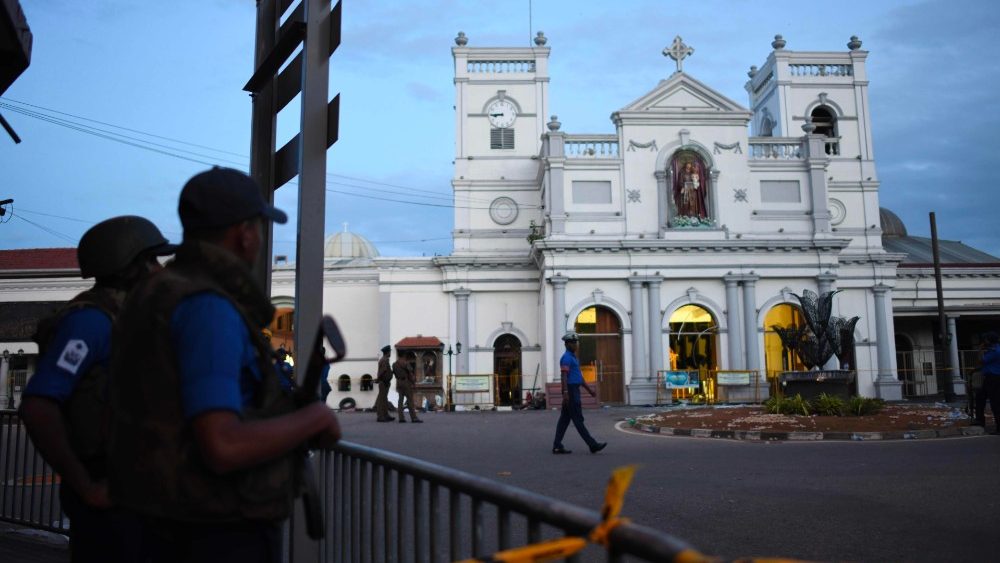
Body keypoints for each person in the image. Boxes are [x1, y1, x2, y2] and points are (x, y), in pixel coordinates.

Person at [108, 167, 341, 563]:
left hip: (153, 516)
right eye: (260, 229)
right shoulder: (207, 308)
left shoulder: (155, 293)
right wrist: (314, 419)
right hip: (212, 530)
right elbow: (222, 444)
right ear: (245, 234)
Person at [20, 215, 176, 562]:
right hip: (108, 492)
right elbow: (38, 405)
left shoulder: (129, 317)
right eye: (151, 261)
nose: (159, 270)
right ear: (126, 267)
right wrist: (87, 487)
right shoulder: (90, 322)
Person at [552, 331, 606, 454]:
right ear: (567, 344)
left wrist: (589, 390)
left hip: (574, 389)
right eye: (573, 343)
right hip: (570, 391)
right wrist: (565, 392)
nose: (576, 345)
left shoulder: (574, 358)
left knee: (564, 420)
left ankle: (557, 445)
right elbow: (564, 376)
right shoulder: (566, 358)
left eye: (576, 342)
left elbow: (579, 377)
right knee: (577, 419)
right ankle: (592, 445)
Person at [975, 331, 1000, 434]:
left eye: (985, 340)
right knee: (980, 398)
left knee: (996, 403)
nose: (984, 341)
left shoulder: (995, 351)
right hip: (989, 378)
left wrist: (980, 350)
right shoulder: (994, 349)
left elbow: (981, 360)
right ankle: (980, 420)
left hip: (994, 378)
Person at [393, 353, 422, 423]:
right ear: (404, 355)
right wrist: (413, 383)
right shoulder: (406, 363)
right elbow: (410, 373)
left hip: (399, 382)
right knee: (410, 400)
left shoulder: (394, 364)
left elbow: (394, 373)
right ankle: (414, 418)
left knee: (400, 400)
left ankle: (401, 418)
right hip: (406, 382)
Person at [375, 345, 395, 422]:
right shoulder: (384, 360)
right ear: (387, 352)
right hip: (383, 382)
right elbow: (382, 372)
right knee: (381, 400)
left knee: (384, 399)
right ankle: (380, 416)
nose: (390, 353)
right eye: (390, 352)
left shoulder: (385, 359)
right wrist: (379, 379)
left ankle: (385, 415)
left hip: (385, 382)